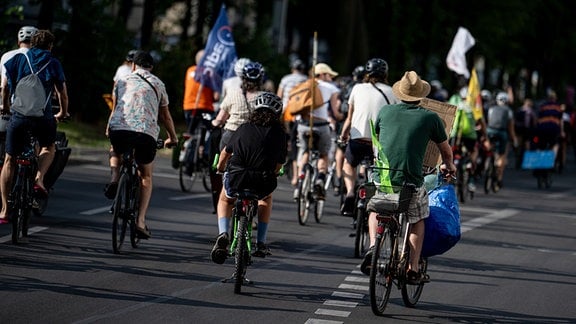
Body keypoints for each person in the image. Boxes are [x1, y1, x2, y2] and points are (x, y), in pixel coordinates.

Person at [362, 71, 456, 283]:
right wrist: (449, 166)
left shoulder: (386, 112)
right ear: (421, 96)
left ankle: (372, 247)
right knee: (417, 219)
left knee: (375, 208)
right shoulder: (430, 117)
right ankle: (412, 267)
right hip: (410, 181)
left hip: (383, 178)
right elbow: (445, 151)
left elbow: (379, 138)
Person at [105, 50, 178, 238]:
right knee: (145, 175)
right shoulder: (158, 84)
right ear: (151, 67)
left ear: (134, 65)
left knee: (115, 149)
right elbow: (165, 116)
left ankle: (114, 178)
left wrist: (109, 127)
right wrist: (172, 137)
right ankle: (141, 221)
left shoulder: (121, 81)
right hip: (145, 134)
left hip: (119, 129)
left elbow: (116, 107)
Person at [0, 29, 69, 224]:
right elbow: (62, 94)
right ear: (50, 46)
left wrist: (5, 107)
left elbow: (4, 87)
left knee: (9, 159)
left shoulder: (17, 60)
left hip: (18, 116)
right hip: (43, 117)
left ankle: (4, 210)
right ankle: (39, 178)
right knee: (49, 146)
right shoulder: (53, 62)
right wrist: (62, 113)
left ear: (31, 43)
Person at [210, 92, 287, 263]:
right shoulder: (280, 134)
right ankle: (260, 242)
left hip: (237, 177)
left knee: (225, 200)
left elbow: (225, 153)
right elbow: (279, 163)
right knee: (265, 200)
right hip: (262, 181)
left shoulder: (243, 128)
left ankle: (223, 233)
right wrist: (274, 173)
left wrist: (220, 168)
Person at [339, 58, 398, 215]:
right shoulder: (391, 92)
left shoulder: (357, 88)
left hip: (357, 139)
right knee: (378, 169)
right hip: (378, 142)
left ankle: (351, 191)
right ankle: (372, 197)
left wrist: (344, 134)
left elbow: (349, 118)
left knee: (348, 164)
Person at [294, 62, 344, 200]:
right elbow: (335, 112)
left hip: (303, 125)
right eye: (329, 75)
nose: (331, 78)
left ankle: (300, 182)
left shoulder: (305, 84)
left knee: (305, 152)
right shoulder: (332, 88)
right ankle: (320, 180)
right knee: (323, 155)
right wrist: (342, 117)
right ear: (322, 74)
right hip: (321, 126)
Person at [212, 61, 266, 149]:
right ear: (260, 79)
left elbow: (220, 119)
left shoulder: (233, 94)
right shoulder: (265, 98)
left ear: (243, 78)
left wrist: (214, 123)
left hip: (231, 135)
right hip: (254, 138)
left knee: (223, 156)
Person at [276, 58, 308, 188]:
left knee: (282, 134)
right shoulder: (306, 79)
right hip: (299, 114)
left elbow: (279, 95)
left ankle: (284, 145)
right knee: (296, 142)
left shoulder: (285, 79)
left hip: (286, 111)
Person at [485, 91, 517, 190]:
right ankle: (499, 175)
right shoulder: (508, 111)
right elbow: (510, 127)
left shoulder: (491, 108)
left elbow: (487, 121)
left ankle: (488, 160)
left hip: (489, 131)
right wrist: (514, 139)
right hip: (501, 133)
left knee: (490, 147)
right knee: (502, 154)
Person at [183, 49, 220, 134]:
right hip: (205, 108)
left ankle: (188, 143)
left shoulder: (189, 70)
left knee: (190, 133)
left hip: (189, 107)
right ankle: (203, 146)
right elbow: (216, 97)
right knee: (211, 131)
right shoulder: (211, 73)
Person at [514, 98, 537, 168]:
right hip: (527, 130)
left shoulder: (519, 110)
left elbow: (514, 120)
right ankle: (527, 162)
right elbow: (535, 121)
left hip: (519, 130)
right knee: (527, 146)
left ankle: (518, 162)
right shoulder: (531, 111)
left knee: (520, 146)